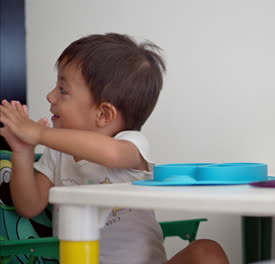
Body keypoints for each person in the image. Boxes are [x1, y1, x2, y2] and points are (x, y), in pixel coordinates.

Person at [0, 33, 229, 264]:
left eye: (63, 89)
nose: (50, 96)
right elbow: (29, 206)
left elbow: (112, 154)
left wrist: (40, 133)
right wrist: (22, 151)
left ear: (103, 114)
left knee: (207, 252)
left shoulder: (131, 144)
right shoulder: (56, 152)